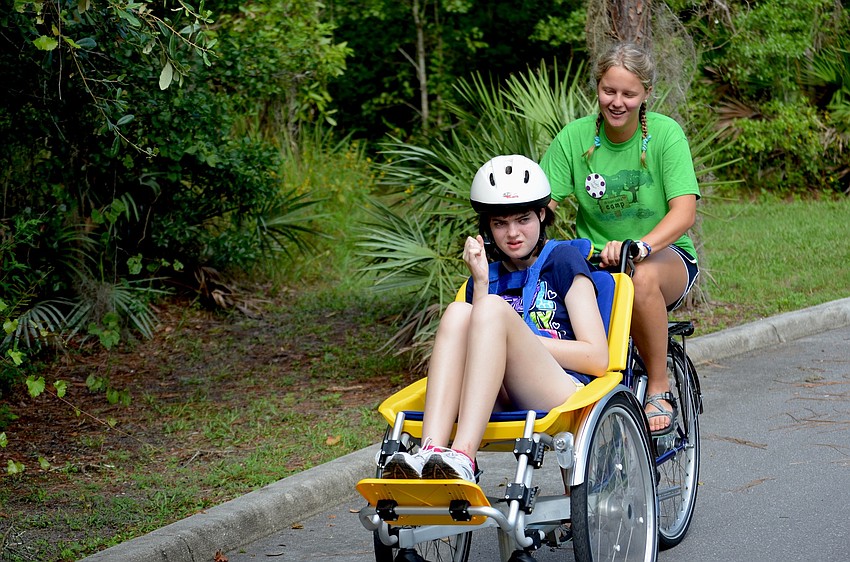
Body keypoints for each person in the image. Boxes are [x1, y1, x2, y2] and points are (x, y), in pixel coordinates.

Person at [382, 154, 609, 482]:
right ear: (487, 228)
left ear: (542, 214)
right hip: (496, 395)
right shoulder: (485, 277)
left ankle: (463, 456)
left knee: (489, 310)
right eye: (500, 223)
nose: (512, 233)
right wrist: (482, 284)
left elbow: (597, 357)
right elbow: (474, 349)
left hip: (560, 388)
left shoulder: (563, 259)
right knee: (460, 310)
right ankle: (431, 452)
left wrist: (515, 338)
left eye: (523, 219)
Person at [539, 42, 701, 436]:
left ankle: (659, 387)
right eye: (609, 91)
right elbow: (545, 203)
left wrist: (642, 245)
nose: (617, 102)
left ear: (645, 94)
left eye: (629, 94)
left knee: (640, 276)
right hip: (595, 261)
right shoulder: (574, 139)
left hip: (664, 257)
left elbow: (684, 212)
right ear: (597, 88)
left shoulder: (665, 134)